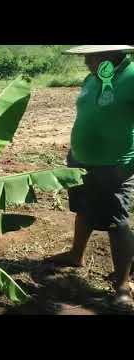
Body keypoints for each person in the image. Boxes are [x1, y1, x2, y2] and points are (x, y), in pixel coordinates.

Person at [49, 45, 134, 310]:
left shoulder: (131, 77)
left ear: (112, 55)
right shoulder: (93, 78)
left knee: (117, 222)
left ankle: (122, 285)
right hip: (80, 160)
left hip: (114, 165)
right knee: (83, 209)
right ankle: (76, 255)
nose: (86, 62)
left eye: (91, 56)